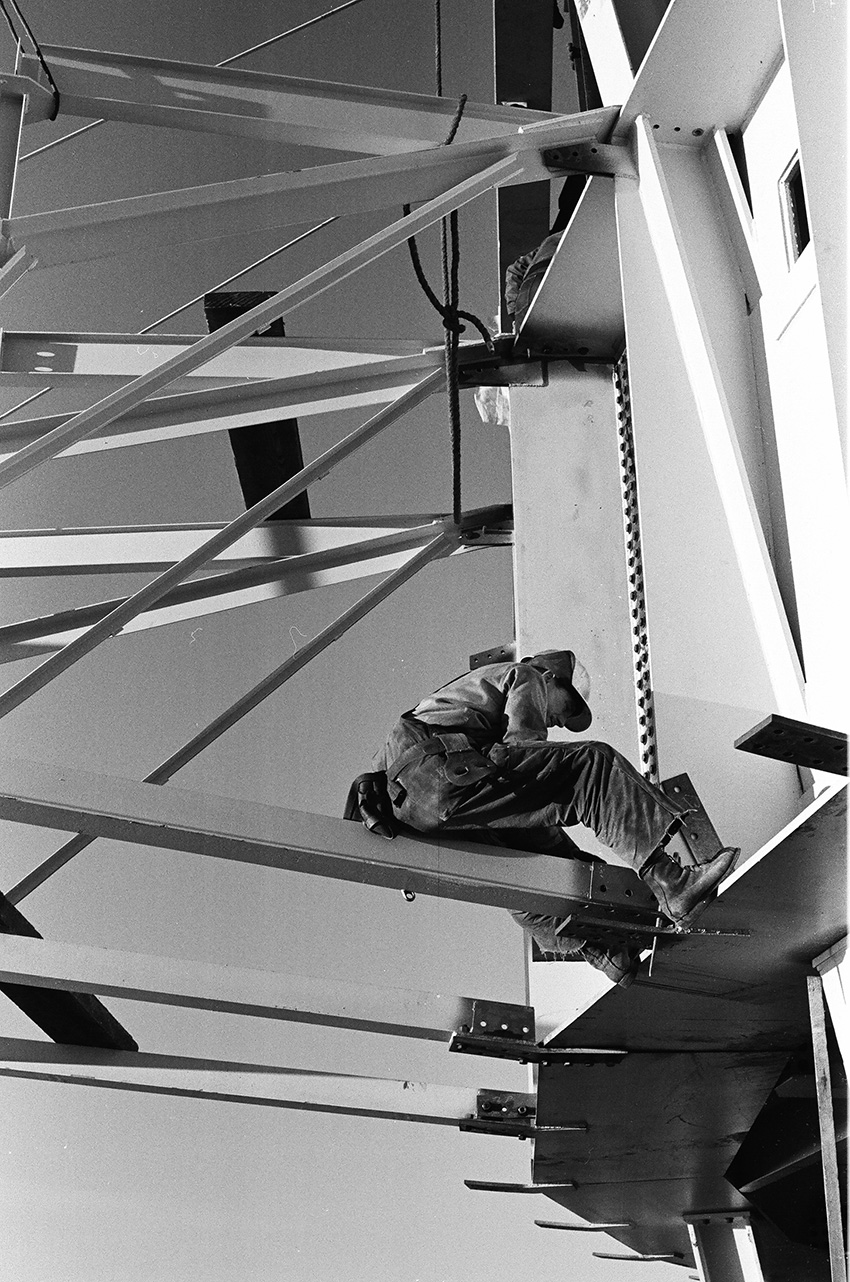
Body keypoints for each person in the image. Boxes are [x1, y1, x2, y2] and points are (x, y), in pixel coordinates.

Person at [347, 650, 738, 987]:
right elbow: (524, 745)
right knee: (591, 767)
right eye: (559, 709)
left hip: (426, 802)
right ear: (551, 676)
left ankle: (601, 949)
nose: (553, 721)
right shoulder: (527, 674)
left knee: (531, 868)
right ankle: (670, 882)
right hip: (449, 771)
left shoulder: (437, 707)